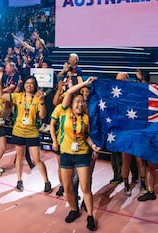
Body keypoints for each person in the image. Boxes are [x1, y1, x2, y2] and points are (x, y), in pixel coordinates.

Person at [0, 70, 52, 193]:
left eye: (32, 83)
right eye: (27, 83)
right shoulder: (18, 96)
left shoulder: (38, 98)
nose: (29, 85)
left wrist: (42, 101)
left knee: (37, 159)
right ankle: (19, 181)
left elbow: (42, 116)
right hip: (19, 131)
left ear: (35, 86)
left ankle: (47, 181)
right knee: (20, 158)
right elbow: (0, 95)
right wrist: (0, 79)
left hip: (32, 132)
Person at [57, 77, 99, 231]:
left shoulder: (87, 118)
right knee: (67, 188)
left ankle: (90, 216)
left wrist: (93, 145)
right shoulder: (64, 110)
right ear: (72, 103)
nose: (80, 104)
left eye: (82, 102)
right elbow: (69, 92)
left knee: (85, 187)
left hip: (82, 154)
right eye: (77, 101)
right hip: (66, 154)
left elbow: (87, 136)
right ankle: (74, 210)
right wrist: (85, 83)